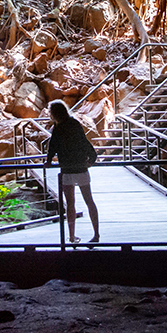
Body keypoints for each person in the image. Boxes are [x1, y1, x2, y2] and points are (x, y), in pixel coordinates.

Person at [45, 100, 100, 245]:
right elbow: (84, 141)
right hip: (81, 166)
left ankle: (71, 236)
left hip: (67, 168)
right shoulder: (75, 124)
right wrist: (92, 158)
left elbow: (53, 146)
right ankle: (96, 234)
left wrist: (49, 161)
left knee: (70, 204)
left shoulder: (58, 128)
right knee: (89, 201)